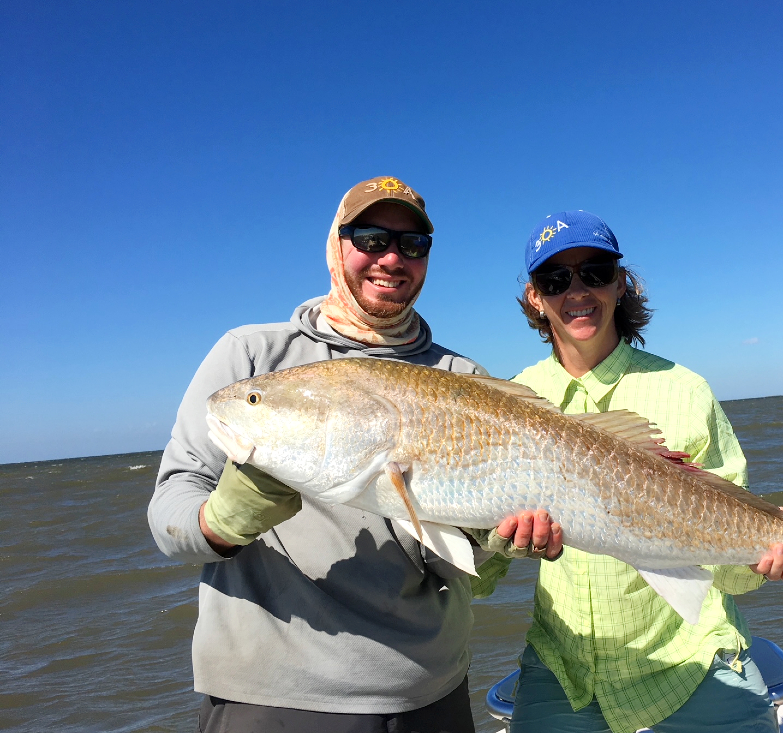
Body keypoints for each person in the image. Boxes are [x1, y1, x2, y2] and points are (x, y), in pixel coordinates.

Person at [148, 177, 562, 733]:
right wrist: (223, 519)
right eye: (369, 238)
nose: (391, 257)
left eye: (413, 245)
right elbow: (169, 512)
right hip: (273, 701)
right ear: (335, 244)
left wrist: (493, 542)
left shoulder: (463, 380)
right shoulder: (252, 356)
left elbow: (455, 563)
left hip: (430, 693)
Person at [506, 211, 783, 733]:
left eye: (595, 272)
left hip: (693, 659)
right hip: (565, 670)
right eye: (556, 279)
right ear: (535, 297)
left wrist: (765, 553)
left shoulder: (685, 390)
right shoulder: (511, 401)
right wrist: (499, 541)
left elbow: (733, 576)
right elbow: (486, 565)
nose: (577, 291)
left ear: (621, 283)